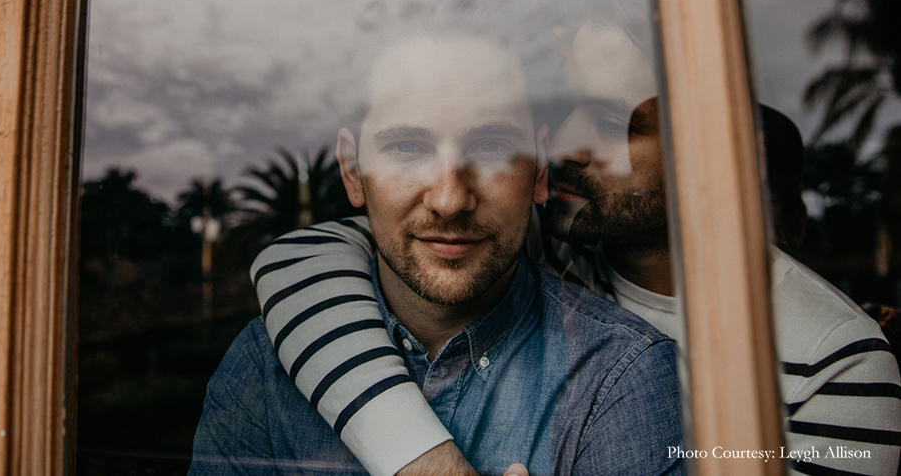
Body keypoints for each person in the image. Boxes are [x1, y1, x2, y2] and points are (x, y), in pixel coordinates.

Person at [252, 25, 901, 476]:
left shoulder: (835, 363)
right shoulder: (542, 239)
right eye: (564, 110)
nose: (565, 145)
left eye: (615, 121)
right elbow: (294, 263)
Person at [189, 35, 683, 476]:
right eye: (407, 146)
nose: (449, 199)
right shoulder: (262, 370)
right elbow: (296, 261)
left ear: (537, 170)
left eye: (490, 145)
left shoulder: (624, 377)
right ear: (352, 170)